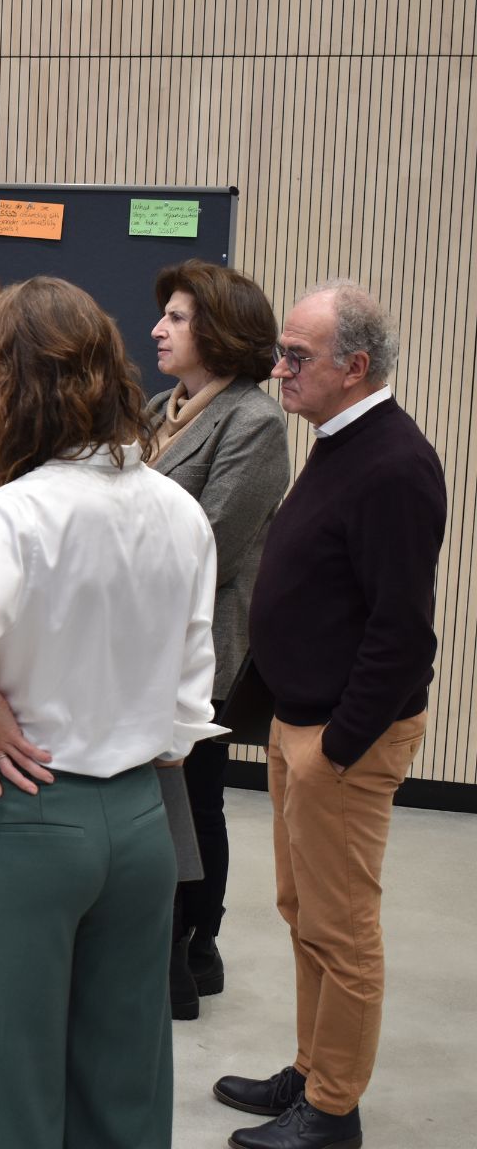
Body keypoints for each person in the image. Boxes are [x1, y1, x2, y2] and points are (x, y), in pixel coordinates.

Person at [0, 277, 223, 1148]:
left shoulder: (18, 510)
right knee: (125, 1078)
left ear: (15, 385)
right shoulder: (179, 510)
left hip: (30, 813)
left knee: (10, 1081)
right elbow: (195, 689)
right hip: (143, 816)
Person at [213, 282, 447, 1149]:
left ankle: (334, 1110)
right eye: (281, 351)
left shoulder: (394, 465)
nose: (279, 369)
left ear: (355, 367)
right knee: (301, 908)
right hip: (300, 719)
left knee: (342, 928)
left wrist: (337, 748)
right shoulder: (340, 442)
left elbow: (402, 633)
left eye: (296, 356)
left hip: (342, 738)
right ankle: (311, 1071)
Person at [147, 260, 289, 1019]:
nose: (157, 330)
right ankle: (168, 939)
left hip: (203, 644)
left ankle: (197, 947)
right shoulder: (153, 409)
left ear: (219, 331)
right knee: (165, 795)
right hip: (143, 639)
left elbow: (212, 544)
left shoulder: (254, 422)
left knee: (198, 798)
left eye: (175, 317)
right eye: (164, 315)